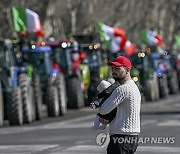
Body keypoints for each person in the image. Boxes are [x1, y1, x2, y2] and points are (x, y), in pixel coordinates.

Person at [98, 56, 141, 154]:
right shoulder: (134, 87)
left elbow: (103, 109)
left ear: (127, 70)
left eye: (118, 68)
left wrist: (103, 92)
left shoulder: (122, 89)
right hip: (131, 137)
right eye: (112, 68)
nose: (114, 71)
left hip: (121, 137)